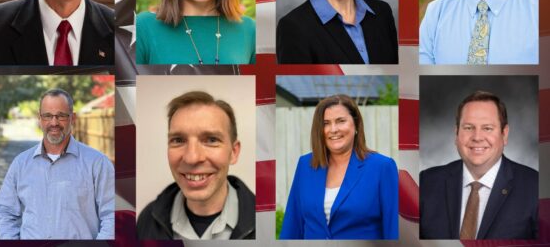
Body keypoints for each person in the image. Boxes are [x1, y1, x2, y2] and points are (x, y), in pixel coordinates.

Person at [0, 89, 115, 239]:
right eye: (47, 116)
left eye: (61, 116)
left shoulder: (98, 163)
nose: (54, 122)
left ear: (73, 118)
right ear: (40, 118)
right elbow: (5, 211)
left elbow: (112, 217)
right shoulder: (21, 163)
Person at [136, 91, 255, 239]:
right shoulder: (147, 221)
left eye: (211, 140)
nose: (191, 158)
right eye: (178, 140)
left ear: (234, 152)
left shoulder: (264, 223)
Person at [420, 91, 538, 239]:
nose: (477, 137)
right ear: (456, 133)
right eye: (468, 128)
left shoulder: (536, 187)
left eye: (487, 128)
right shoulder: (426, 182)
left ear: (504, 134)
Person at [280, 94, 398, 239]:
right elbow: (292, 226)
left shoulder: (382, 167)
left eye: (340, 121)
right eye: (326, 123)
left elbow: (393, 230)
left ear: (356, 125)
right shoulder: (305, 165)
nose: (333, 129)